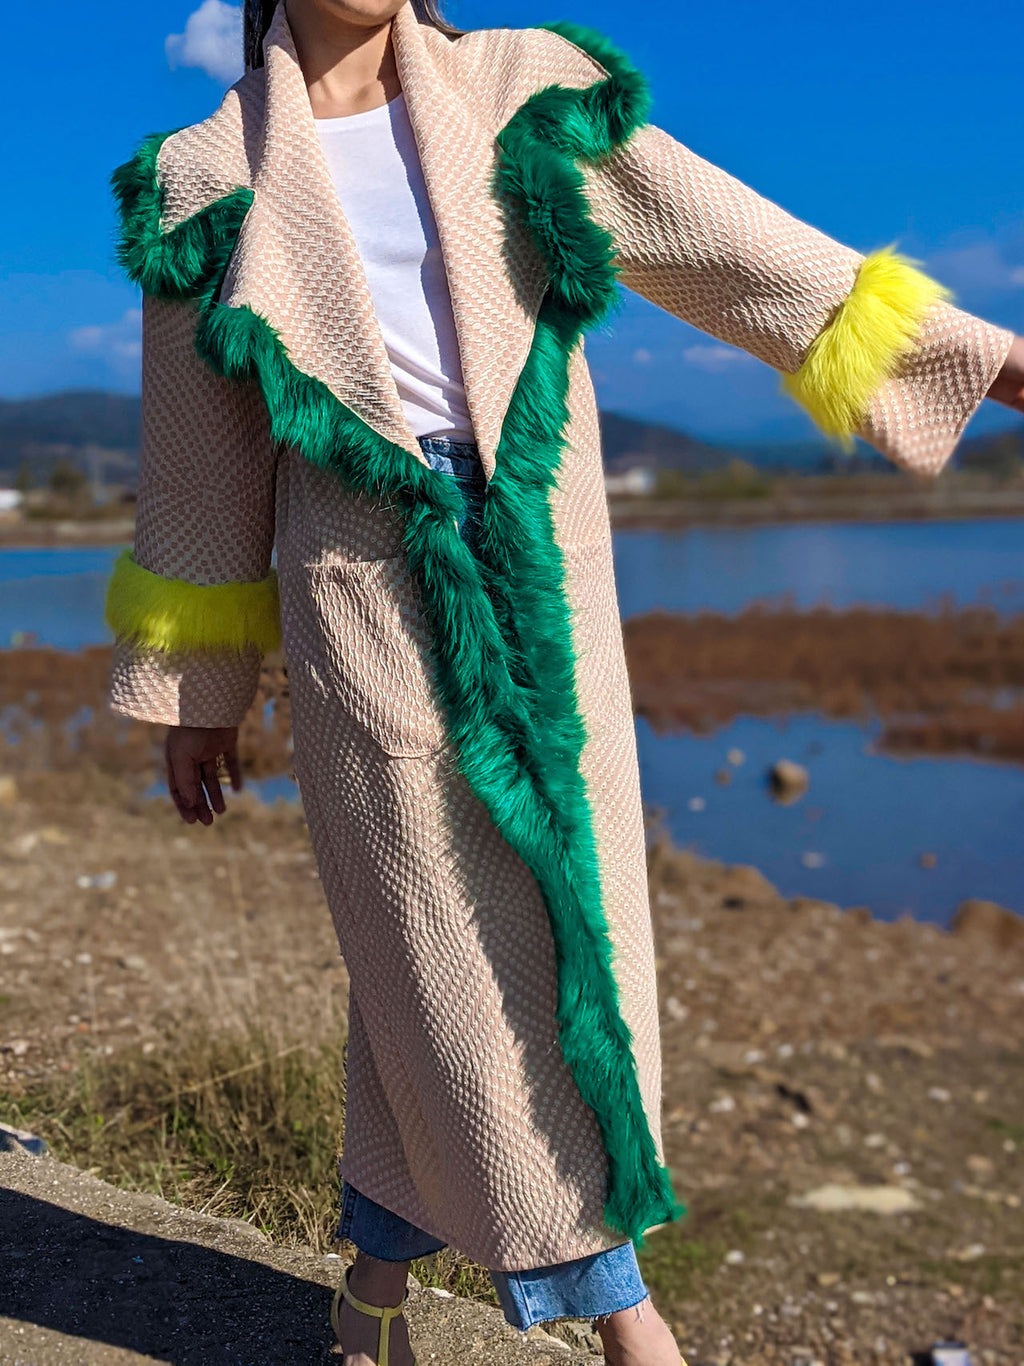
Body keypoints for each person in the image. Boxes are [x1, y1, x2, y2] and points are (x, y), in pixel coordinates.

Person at [103, 0, 1024, 1362]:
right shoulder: (207, 171)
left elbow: (735, 247)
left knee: (467, 951)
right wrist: (198, 692)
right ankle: (626, 1319)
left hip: (542, 570)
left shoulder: (524, 85)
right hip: (361, 590)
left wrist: (983, 357)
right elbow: (201, 457)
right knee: (441, 946)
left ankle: (373, 1278)